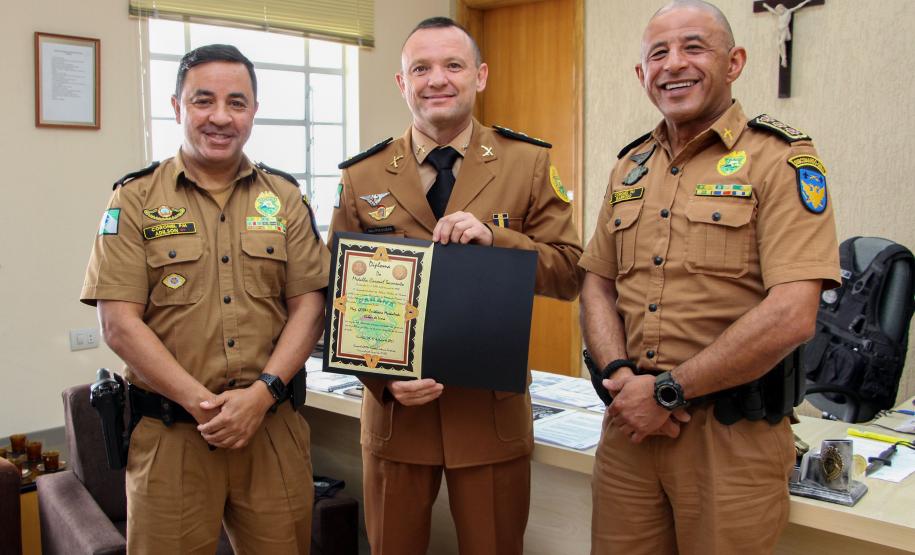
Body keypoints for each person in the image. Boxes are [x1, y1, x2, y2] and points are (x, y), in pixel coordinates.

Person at [579, 1, 840, 553]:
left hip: (729, 440)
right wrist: (622, 377)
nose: (674, 64)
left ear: (734, 61)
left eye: (694, 48)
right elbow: (597, 283)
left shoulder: (780, 158)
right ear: (641, 74)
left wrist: (670, 392)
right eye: (658, 53)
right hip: (629, 430)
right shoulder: (630, 166)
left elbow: (793, 313)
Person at [329, 16, 582, 555]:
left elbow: (569, 273)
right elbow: (338, 299)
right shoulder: (363, 176)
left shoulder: (527, 163)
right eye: (420, 68)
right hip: (398, 416)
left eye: (452, 65)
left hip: (489, 416)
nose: (436, 79)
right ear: (402, 83)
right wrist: (383, 383)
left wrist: (498, 242)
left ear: (480, 76)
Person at [81, 44, 329, 554]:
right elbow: (120, 325)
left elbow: (309, 307)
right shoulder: (135, 199)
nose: (221, 117)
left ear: (254, 111)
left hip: (270, 428)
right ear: (176, 106)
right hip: (173, 436)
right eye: (203, 101)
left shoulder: (283, 199)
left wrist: (259, 398)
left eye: (237, 102)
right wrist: (208, 407)